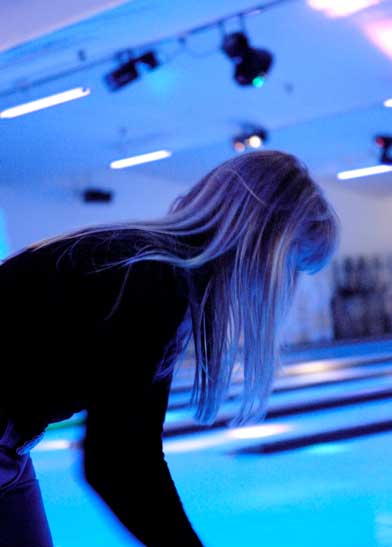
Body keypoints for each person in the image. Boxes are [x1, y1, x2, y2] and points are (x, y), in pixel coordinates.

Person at [0, 150, 339, 547]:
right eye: (292, 266)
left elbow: (127, 449)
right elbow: (119, 460)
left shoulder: (143, 263)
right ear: (264, 248)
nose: (286, 288)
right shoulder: (150, 282)